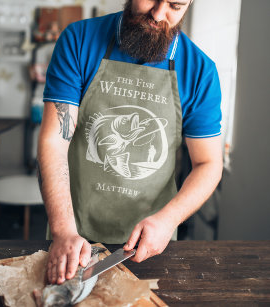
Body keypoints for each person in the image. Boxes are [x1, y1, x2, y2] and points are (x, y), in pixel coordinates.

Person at [37, 0, 223, 286]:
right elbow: (54, 141)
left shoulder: (200, 71)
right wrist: (64, 231)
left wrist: (168, 220)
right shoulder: (79, 40)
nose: (159, 14)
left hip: (149, 246)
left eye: (175, 5)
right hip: (74, 238)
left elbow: (208, 163)